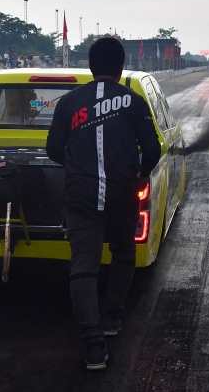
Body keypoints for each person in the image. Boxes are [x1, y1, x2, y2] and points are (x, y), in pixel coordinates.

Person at [47, 37, 161, 371]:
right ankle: (111, 317)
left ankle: (93, 345)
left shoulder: (68, 103)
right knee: (123, 253)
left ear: (90, 66)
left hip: (80, 196)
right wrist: (139, 175)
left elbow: (54, 149)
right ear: (121, 66)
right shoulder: (135, 101)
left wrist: (78, 166)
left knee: (83, 266)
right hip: (122, 193)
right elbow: (152, 149)